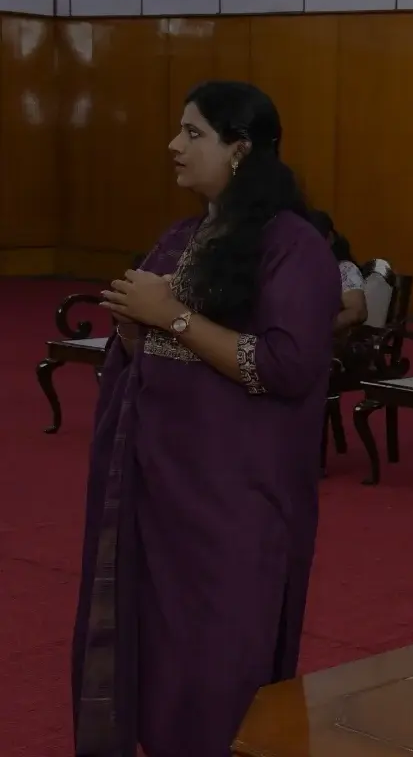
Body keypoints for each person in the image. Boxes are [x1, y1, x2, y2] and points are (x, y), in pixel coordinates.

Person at [75, 81, 341, 756]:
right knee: (159, 662)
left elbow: (285, 367)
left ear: (240, 149)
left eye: (193, 133)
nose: (174, 145)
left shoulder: (294, 246)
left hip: (233, 501)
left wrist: (173, 317)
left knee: (222, 664)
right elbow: (155, 356)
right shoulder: (180, 238)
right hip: (160, 490)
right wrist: (137, 332)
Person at [305, 209, 368, 337]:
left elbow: (357, 312)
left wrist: (320, 330)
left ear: (330, 238)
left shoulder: (345, 269)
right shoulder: (296, 267)